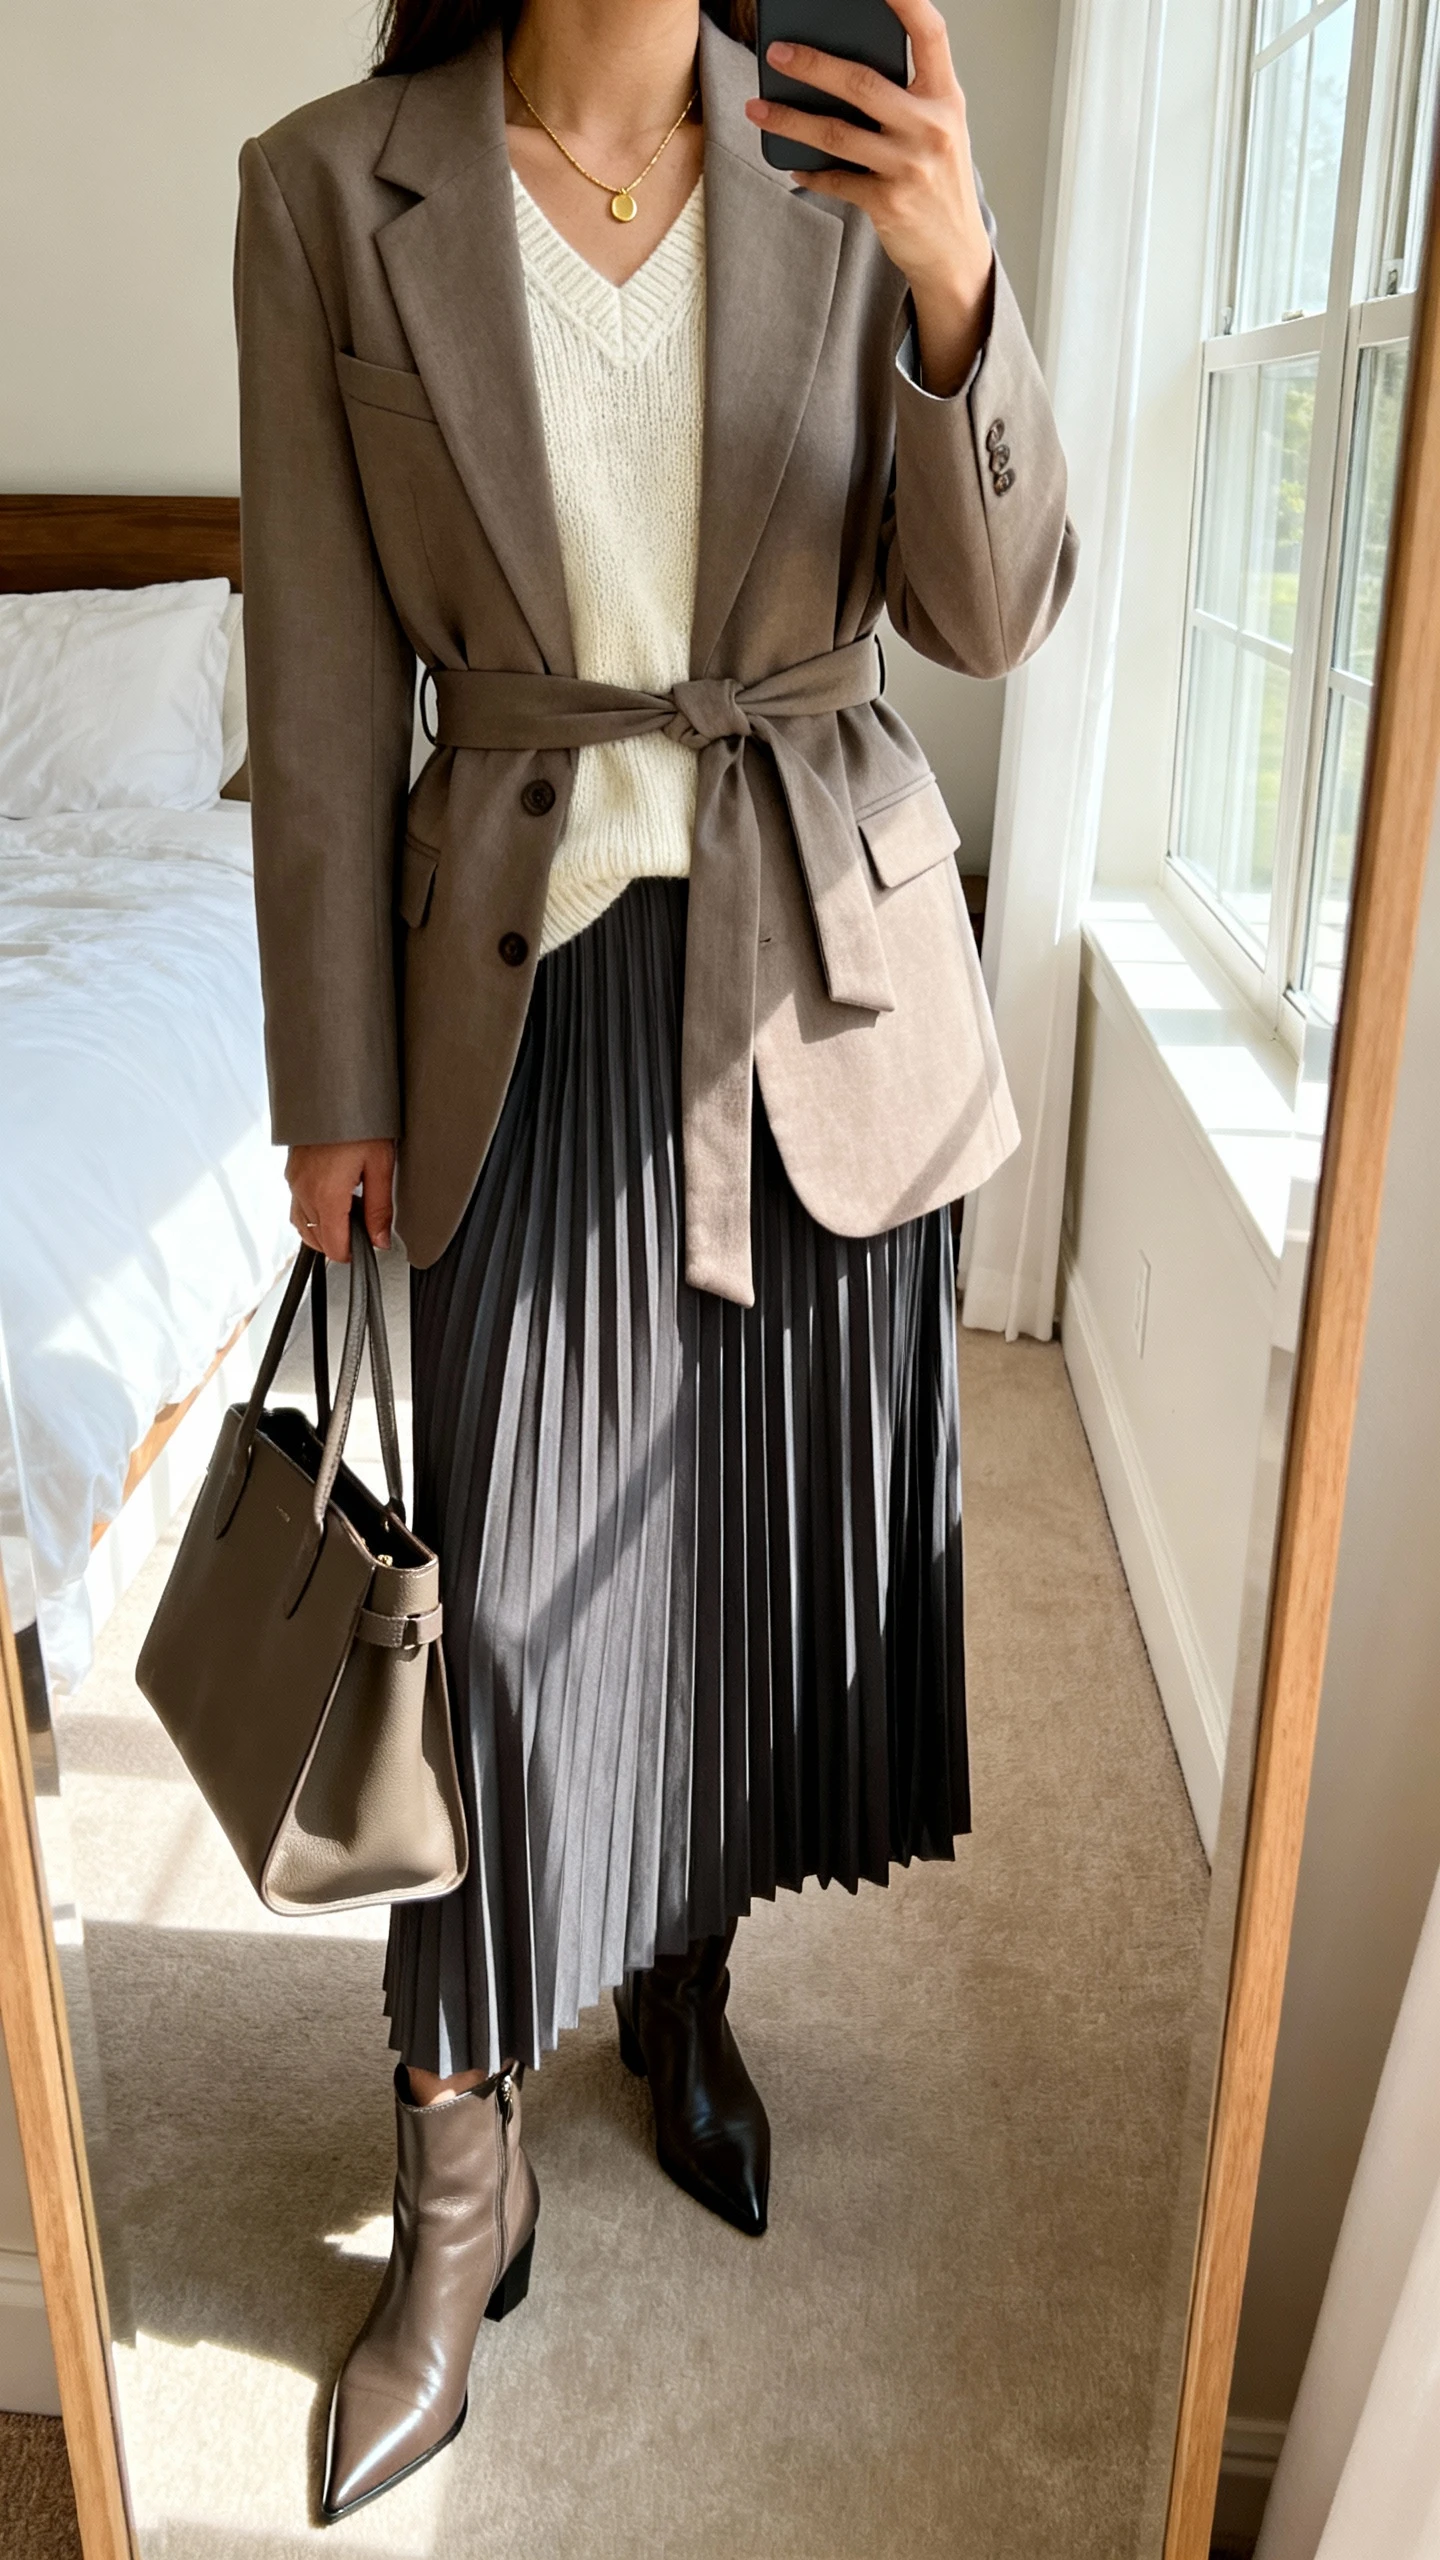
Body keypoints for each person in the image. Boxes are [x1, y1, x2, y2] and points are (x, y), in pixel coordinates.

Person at [235, 0, 1075, 2517]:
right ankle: (448, 2211)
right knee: (485, 1636)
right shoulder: (329, 183)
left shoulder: (855, 142)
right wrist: (331, 1087)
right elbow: (308, 663)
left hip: (822, 973)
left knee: (735, 1584)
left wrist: (957, 285)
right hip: (516, 991)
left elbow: (996, 608)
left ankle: (682, 1991)